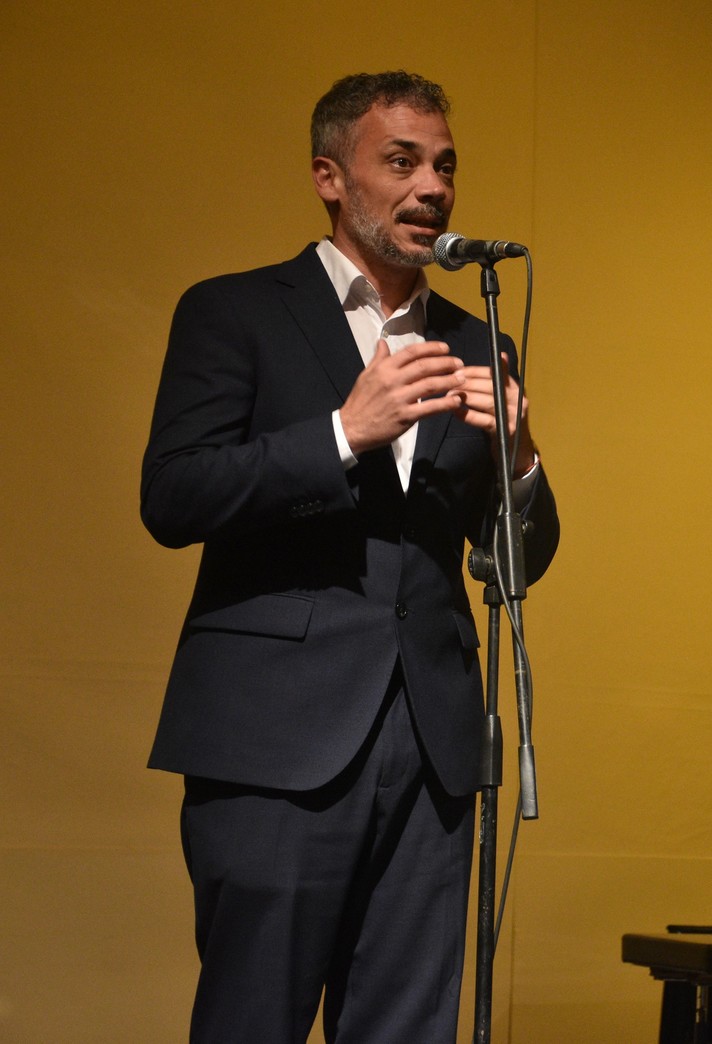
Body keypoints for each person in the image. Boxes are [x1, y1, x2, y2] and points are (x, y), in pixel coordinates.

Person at [141, 71, 560, 1043]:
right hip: (275, 748)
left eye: (445, 166)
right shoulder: (237, 312)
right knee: (254, 1021)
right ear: (331, 178)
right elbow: (175, 497)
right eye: (402, 162)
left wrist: (526, 460)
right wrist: (339, 432)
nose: (433, 189)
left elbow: (512, 568)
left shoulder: (475, 339)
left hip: (431, 753)